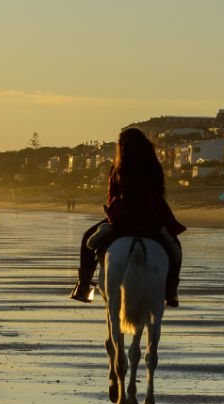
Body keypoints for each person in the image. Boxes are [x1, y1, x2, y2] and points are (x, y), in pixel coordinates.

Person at [69, 127, 184, 307]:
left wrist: (113, 211)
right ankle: (171, 291)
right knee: (174, 247)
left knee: (87, 239)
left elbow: (111, 193)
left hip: (123, 215)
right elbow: (160, 190)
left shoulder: (117, 166)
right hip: (151, 216)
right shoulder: (153, 164)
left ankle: (84, 285)